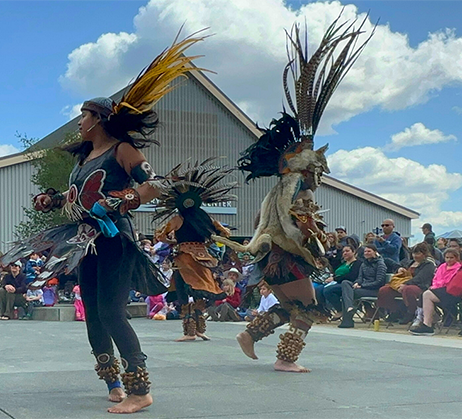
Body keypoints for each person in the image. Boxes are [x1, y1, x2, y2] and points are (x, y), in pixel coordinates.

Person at [2, 34, 207, 414]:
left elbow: (156, 183)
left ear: (98, 119)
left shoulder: (122, 150)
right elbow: (82, 198)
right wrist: (54, 200)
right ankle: (113, 380)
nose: (79, 123)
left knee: (112, 311)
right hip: (83, 241)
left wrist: (127, 199)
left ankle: (140, 389)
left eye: (83, 116)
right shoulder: (83, 159)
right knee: (93, 312)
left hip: (114, 240)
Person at [212, 19, 372, 373]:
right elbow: (294, 221)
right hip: (288, 257)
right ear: (302, 159)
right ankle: (285, 359)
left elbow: (265, 222)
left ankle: (250, 336)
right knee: (309, 310)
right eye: (315, 158)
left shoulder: (282, 188)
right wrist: (309, 237)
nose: (320, 164)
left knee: (289, 307)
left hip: (274, 259)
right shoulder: (296, 186)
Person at [153, 160, 234, 341]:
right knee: (202, 289)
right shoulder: (206, 218)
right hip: (204, 256)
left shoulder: (177, 219)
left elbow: (160, 236)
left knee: (183, 289)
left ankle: (189, 331)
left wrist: (172, 241)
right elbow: (225, 232)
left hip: (185, 257)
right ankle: (199, 328)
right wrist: (209, 239)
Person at [376, 243, 436, 324]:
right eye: (414, 253)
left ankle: (411, 312)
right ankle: (394, 311)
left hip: (421, 286)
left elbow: (420, 278)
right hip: (404, 284)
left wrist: (406, 284)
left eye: (418, 253)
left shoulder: (429, 264)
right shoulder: (410, 263)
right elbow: (398, 267)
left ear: (424, 254)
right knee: (384, 290)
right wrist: (399, 269)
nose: (415, 256)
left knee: (408, 290)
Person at [337, 244, 387, 328]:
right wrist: (357, 283)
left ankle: (347, 319)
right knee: (345, 283)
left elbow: (379, 282)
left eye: (369, 251)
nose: (366, 253)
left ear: (375, 252)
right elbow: (360, 277)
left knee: (348, 293)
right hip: (362, 287)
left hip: (374, 290)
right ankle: (349, 307)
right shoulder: (364, 264)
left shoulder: (380, 264)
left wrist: (363, 286)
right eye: (365, 251)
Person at [412, 248, 461, 328]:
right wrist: (434, 286)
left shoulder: (458, 268)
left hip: (448, 289)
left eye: (451, 258)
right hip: (436, 287)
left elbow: (449, 281)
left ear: (456, 258)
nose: (449, 260)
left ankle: (425, 319)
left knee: (427, 295)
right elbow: (436, 278)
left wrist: (437, 286)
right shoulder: (442, 267)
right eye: (447, 257)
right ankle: (423, 316)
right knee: (423, 295)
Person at [323, 245, 362, 320]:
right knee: (319, 289)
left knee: (328, 291)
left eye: (347, 251)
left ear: (353, 252)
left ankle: (340, 309)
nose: (345, 253)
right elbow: (335, 273)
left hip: (348, 284)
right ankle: (323, 311)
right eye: (343, 252)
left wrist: (335, 278)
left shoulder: (357, 263)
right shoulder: (343, 263)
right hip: (336, 282)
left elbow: (352, 276)